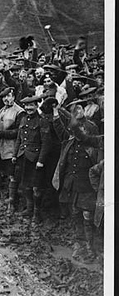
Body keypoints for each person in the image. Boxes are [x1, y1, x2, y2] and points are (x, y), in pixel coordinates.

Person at [52, 100, 102, 261]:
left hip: (87, 183)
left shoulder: (91, 133)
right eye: (74, 110)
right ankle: (78, 243)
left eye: (80, 108)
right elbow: (62, 133)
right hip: (72, 182)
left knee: (88, 214)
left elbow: (87, 139)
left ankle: (90, 248)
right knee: (75, 213)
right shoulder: (69, 139)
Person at [12, 96, 51, 224]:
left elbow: (46, 143)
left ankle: (36, 213)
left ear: (36, 106)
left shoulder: (42, 121)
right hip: (24, 157)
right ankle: (29, 208)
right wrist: (14, 154)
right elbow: (19, 139)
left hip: (36, 160)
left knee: (36, 188)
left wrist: (41, 160)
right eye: (27, 106)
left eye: (32, 105)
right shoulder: (23, 119)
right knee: (26, 186)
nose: (29, 108)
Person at [0, 87, 25, 206]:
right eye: (4, 97)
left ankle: (13, 199)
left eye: (9, 96)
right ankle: (6, 194)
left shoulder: (19, 111)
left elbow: (19, 131)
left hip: (12, 146)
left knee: (13, 173)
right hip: (1, 147)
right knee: (3, 171)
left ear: (14, 97)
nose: (6, 99)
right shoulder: (2, 110)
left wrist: (4, 134)